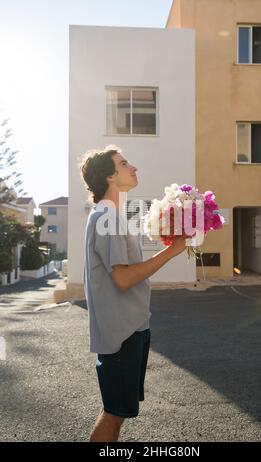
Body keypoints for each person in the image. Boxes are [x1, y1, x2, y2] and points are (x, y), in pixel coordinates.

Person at [80, 144, 187, 442]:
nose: (134, 167)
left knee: (118, 412)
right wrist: (171, 251)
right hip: (121, 333)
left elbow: (127, 271)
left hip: (133, 326)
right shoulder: (107, 216)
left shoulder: (111, 215)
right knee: (113, 413)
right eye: (124, 163)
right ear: (110, 176)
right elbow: (124, 279)